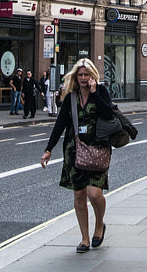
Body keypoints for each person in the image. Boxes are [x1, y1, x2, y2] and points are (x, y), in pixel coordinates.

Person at [40, 59, 114, 253]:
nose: (83, 78)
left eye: (86, 74)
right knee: (79, 194)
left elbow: (108, 114)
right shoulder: (70, 97)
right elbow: (60, 125)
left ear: (92, 75)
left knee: (94, 193)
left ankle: (99, 224)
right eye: (80, 75)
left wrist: (95, 92)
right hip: (74, 151)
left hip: (98, 150)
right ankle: (84, 238)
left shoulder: (101, 92)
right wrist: (49, 149)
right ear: (75, 77)